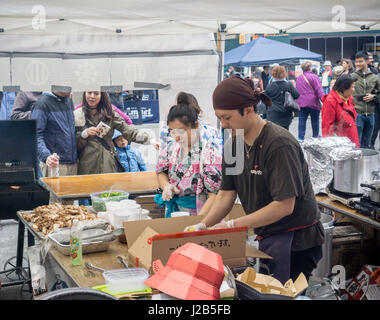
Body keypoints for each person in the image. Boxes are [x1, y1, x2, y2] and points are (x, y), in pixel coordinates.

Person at [185, 76, 324, 284]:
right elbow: (226, 194)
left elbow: (284, 206)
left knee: (283, 296)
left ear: (248, 110)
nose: (223, 125)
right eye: (219, 118)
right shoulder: (234, 144)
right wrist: (203, 225)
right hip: (268, 235)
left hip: (296, 241)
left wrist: (233, 224)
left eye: (227, 118)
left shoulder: (278, 144)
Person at [155, 98, 223, 217]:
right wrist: (166, 186)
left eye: (181, 131)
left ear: (195, 126)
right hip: (175, 212)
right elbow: (161, 171)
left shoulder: (210, 153)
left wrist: (197, 223)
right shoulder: (171, 148)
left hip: (202, 214)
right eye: (172, 132)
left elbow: (215, 196)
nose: (176, 137)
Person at [74, 91, 156, 176]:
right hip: (86, 166)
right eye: (89, 93)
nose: (92, 96)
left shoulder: (109, 113)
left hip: (108, 164)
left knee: (109, 188)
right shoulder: (77, 114)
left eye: (96, 94)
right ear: (84, 93)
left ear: (102, 95)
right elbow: (73, 144)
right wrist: (84, 134)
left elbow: (129, 130)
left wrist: (150, 140)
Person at [31, 91, 78, 203]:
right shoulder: (42, 103)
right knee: (55, 207)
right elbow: (35, 134)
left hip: (72, 162)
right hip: (54, 164)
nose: (72, 91)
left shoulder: (67, 99)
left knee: (69, 207)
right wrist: (46, 156)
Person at [351, 51, 380, 148]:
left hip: (371, 114)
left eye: (360, 61)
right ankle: (357, 163)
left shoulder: (374, 78)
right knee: (356, 143)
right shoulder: (352, 77)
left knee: (367, 143)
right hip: (357, 113)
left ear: (367, 61)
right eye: (356, 62)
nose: (358, 64)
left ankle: (365, 163)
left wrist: (374, 96)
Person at [321, 74, 360, 147]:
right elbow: (327, 128)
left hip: (351, 141)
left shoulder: (347, 99)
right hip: (341, 146)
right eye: (352, 87)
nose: (354, 89)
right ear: (343, 88)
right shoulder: (330, 101)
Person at [296, 61, 324, 141]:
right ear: (310, 67)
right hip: (313, 102)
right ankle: (315, 136)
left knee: (302, 120)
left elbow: (297, 91)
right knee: (315, 120)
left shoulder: (299, 78)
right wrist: (324, 100)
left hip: (301, 103)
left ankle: (300, 137)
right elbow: (319, 90)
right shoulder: (314, 77)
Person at [265, 66, 300, 130]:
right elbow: (297, 95)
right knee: (285, 134)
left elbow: (265, 99)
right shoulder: (288, 85)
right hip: (286, 113)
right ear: (284, 73)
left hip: (273, 114)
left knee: (274, 134)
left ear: (273, 73)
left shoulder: (270, 86)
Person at [371, 65, 380, 149]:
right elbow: (372, 90)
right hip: (376, 106)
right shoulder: (375, 77)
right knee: (375, 128)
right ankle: (371, 144)